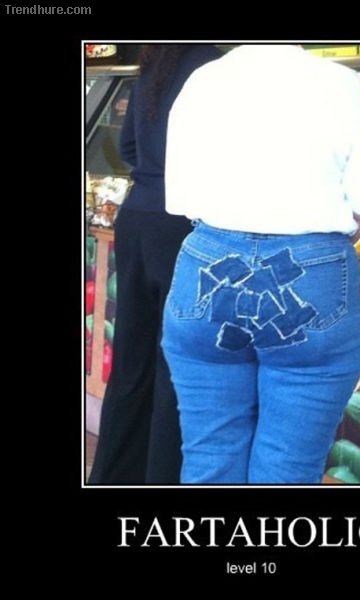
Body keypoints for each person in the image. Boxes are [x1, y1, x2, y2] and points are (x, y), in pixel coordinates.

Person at [161, 44, 360, 484]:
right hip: (311, 273)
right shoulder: (340, 82)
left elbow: (182, 200)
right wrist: (310, 250)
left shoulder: (203, 80)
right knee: (290, 466)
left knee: (210, 456)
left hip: (211, 266)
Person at [88, 43, 222, 485]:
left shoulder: (154, 66)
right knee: (175, 366)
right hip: (183, 225)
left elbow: (128, 145)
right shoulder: (214, 66)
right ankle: (161, 476)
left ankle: (112, 475)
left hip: (137, 218)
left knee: (131, 360)